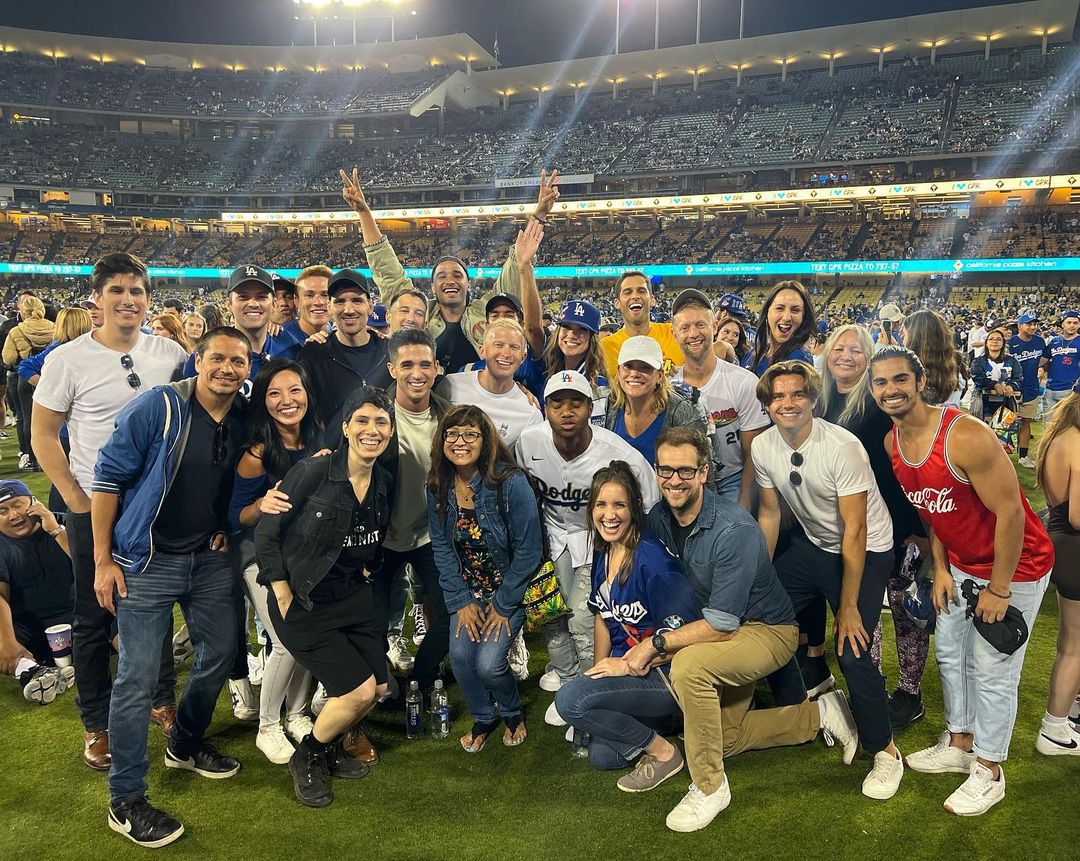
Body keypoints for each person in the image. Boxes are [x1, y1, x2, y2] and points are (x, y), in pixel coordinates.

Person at [618, 427, 859, 832]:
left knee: (689, 667)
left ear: (703, 472)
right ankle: (822, 713)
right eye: (665, 470)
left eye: (685, 470)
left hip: (767, 630)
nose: (674, 480)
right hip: (726, 631)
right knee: (722, 739)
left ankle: (709, 787)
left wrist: (656, 643)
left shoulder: (735, 529)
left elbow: (720, 625)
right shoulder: (659, 517)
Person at [870, 345, 1053, 815]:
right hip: (960, 564)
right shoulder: (893, 444)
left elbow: (1012, 513)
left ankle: (990, 770)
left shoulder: (965, 435)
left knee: (992, 668)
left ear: (920, 382)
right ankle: (960, 742)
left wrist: (999, 588)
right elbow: (932, 513)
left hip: (1016, 566)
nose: (891, 390)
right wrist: (942, 568)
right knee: (951, 653)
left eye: (900, 379)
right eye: (881, 382)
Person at [92, 326, 252, 848]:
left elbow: (234, 483)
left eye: (238, 361)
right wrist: (103, 561)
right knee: (137, 679)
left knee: (222, 651)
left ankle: (183, 741)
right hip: (147, 560)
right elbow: (107, 480)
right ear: (197, 361)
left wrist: (225, 525)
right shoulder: (160, 406)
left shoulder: (245, 414)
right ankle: (126, 800)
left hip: (208, 558)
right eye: (218, 358)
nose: (228, 368)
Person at [32, 252, 187, 771]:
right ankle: (96, 722)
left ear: (148, 298)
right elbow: (43, 434)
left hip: (157, 507)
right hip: (94, 506)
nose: (127, 300)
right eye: (116, 290)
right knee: (93, 614)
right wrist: (75, 499)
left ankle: (161, 700)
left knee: (154, 606)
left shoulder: (168, 352)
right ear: (96, 299)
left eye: (136, 290)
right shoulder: (67, 359)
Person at [752, 360, 904, 800]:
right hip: (817, 545)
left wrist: (849, 607)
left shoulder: (842, 446)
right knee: (761, 613)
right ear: (767, 405)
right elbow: (769, 514)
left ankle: (885, 751)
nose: (788, 403)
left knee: (853, 651)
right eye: (778, 396)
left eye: (797, 394)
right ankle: (813, 698)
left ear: (814, 400)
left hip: (868, 549)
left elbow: (855, 529)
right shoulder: (762, 446)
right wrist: (759, 579)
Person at [254, 386, 395, 809]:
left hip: (353, 597)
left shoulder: (384, 481)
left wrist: (368, 570)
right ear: (346, 428)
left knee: (379, 687)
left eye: (382, 422)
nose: (372, 430)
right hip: (306, 601)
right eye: (363, 421)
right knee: (357, 693)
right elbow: (267, 532)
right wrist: (280, 588)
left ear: (390, 432)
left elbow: (374, 537)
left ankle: (327, 743)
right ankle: (309, 756)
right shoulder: (312, 472)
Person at [514, 371, 659, 718]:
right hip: (549, 535)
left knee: (582, 618)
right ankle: (567, 678)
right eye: (557, 404)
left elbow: (650, 504)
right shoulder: (528, 442)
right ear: (545, 408)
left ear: (590, 408)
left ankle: (588, 689)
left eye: (576, 403)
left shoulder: (617, 452)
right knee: (549, 614)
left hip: (596, 540)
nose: (566, 411)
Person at [554, 460, 700, 778]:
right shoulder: (604, 549)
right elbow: (603, 617)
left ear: (634, 507)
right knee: (603, 756)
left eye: (619, 505)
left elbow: (688, 637)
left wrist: (624, 666)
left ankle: (665, 753)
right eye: (601, 504)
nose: (610, 515)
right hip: (629, 675)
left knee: (569, 701)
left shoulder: (654, 561)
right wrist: (597, 672)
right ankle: (663, 726)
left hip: (665, 676)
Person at [817, 324, 929, 731]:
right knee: (866, 611)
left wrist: (917, 529)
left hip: (896, 522)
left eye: (856, 350)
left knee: (904, 609)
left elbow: (902, 468)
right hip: (847, 525)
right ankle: (873, 688)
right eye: (839, 348)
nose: (846, 356)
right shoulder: (820, 400)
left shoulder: (880, 403)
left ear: (868, 360)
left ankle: (910, 694)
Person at [341, 166, 558, 373]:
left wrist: (539, 214)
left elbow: (515, 267)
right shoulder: (421, 313)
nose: (450, 280)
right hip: (428, 396)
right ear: (432, 287)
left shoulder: (485, 312)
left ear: (468, 284)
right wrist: (364, 213)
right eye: (441, 276)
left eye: (457, 275)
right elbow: (388, 271)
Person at [427, 405, 542, 751]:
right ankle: (483, 715)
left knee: (490, 665)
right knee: (462, 660)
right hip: (468, 592)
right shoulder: (437, 486)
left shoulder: (510, 482)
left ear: (485, 440)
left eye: (470, 434)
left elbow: (529, 550)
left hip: (508, 590)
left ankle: (511, 712)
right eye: (452, 434)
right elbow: (441, 548)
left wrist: (504, 604)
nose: (460, 441)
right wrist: (460, 600)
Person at [229, 359, 323, 764]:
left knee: (307, 635)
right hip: (259, 555)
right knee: (286, 639)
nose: (287, 400)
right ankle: (268, 726)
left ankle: (297, 714)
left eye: (294, 390)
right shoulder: (257, 452)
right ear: (263, 401)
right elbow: (236, 516)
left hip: (303, 555)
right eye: (275, 393)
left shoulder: (319, 437)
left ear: (307, 393)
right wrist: (261, 504)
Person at [374, 328, 453, 738]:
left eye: (425, 364)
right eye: (407, 365)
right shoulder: (374, 414)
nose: (417, 373)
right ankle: (380, 680)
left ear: (437, 368)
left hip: (429, 536)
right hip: (380, 537)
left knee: (453, 609)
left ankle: (420, 681)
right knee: (369, 620)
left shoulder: (448, 414)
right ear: (392, 369)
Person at [671, 289, 768, 508]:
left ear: (714, 327)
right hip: (686, 481)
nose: (693, 333)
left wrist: (743, 505)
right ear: (674, 334)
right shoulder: (669, 388)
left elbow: (754, 455)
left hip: (733, 479)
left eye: (700, 324)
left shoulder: (744, 382)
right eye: (685, 327)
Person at [0, 479, 77, 705]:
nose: (13, 515)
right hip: (29, 629)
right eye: (2, 511)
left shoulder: (63, 522)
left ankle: (145, 663)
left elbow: (91, 569)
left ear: (34, 502)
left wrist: (55, 530)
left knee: (115, 606)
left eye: (17, 505)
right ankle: (33, 671)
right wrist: (8, 644)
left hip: (80, 618)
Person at [1034, 382, 1080, 755]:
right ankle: (1055, 729)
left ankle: (1071, 713)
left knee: (1073, 642)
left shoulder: (1059, 435)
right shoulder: (1077, 441)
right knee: (1074, 646)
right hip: (1074, 546)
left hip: (1061, 543)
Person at [299, 268, 389, 435]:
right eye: (340, 301)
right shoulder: (313, 354)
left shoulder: (389, 351)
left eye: (357, 300)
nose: (348, 310)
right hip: (332, 450)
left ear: (370, 306)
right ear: (329, 307)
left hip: (383, 447)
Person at [605, 335, 710, 465]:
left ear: (660, 375)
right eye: (628, 366)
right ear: (618, 371)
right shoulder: (608, 406)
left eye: (645, 367)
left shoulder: (682, 411)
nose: (635, 374)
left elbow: (701, 468)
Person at [438, 318, 543, 446]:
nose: (506, 353)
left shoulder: (530, 413)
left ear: (523, 357)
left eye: (514, 347)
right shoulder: (451, 385)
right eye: (498, 345)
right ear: (483, 351)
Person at [183, 265, 289, 385]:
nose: (253, 304)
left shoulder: (291, 347)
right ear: (229, 304)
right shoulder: (205, 355)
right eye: (243, 297)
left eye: (261, 297)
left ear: (274, 304)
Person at [600, 271, 685, 379]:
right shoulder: (604, 348)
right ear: (617, 303)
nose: (635, 296)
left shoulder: (675, 334)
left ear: (652, 300)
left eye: (641, 291)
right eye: (627, 292)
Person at [4, 295, 54, 471]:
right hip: (50, 376)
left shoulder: (16, 331)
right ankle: (51, 457)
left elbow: (8, 358)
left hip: (24, 377)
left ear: (23, 311)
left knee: (26, 418)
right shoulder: (54, 327)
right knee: (52, 418)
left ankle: (31, 458)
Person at [543, 299, 608, 423]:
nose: (572, 334)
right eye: (566, 327)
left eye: (582, 329)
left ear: (592, 338)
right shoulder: (545, 372)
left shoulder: (602, 387)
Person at [743, 280, 817, 376]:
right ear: (767, 313)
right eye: (779, 308)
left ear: (803, 317)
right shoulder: (752, 355)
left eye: (795, 310)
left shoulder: (798, 359)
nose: (786, 317)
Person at [902, 309, 964, 406]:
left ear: (914, 340)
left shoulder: (908, 371)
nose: (903, 341)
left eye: (904, 335)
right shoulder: (954, 366)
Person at [1008, 313, 1046, 468]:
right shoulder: (1011, 342)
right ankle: (1001, 454)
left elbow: (1043, 360)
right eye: (1028, 324)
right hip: (1012, 388)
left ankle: (1023, 457)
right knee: (1005, 422)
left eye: (1034, 324)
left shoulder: (1039, 341)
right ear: (1019, 326)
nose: (1032, 327)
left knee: (1026, 421)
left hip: (1031, 387)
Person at [276, 265, 332, 359]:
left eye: (325, 295)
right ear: (296, 301)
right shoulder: (278, 340)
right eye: (309, 295)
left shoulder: (339, 336)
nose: (318, 302)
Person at [970, 328, 1022, 423]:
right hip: (982, 401)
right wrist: (995, 385)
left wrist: (1011, 386)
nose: (995, 341)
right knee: (982, 430)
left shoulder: (1012, 360)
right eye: (991, 339)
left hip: (1006, 402)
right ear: (986, 343)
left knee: (1004, 430)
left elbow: (1018, 378)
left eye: (999, 339)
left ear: (1003, 343)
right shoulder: (978, 361)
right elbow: (978, 378)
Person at [1041, 309, 1080, 419]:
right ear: (1062, 324)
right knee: (1049, 425)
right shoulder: (1055, 341)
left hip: (1071, 390)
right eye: (1069, 322)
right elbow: (1042, 360)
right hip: (1050, 389)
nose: (1072, 325)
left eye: (1075, 323)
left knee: (1069, 425)